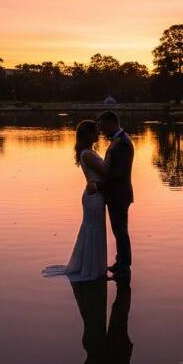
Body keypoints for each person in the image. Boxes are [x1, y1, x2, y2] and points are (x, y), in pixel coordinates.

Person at [42, 120, 109, 282]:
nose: (98, 134)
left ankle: (95, 266)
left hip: (95, 195)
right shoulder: (87, 154)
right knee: (93, 230)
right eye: (95, 131)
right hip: (94, 197)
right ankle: (91, 269)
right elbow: (107, 172)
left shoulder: (88, 152)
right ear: (89, 134)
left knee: (95, 229)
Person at [93, 111, 134, 278]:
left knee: (121, 230)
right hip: (116, 194)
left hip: (119, 194)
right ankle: (120, 262)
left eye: (103, 127)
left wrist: (98, 186)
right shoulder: (118, 141)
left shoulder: (122, 143)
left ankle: (124, 266)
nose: (102, 131)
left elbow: (117, 173)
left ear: (111, 123)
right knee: (118, 230)